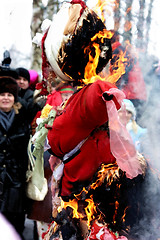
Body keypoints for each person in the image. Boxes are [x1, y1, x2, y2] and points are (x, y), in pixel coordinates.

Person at [31, 1, 147, 239]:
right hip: (87, 207)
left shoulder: (73, 103)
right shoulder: (83, 99)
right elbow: (103, 95)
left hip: (86, 201)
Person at [0, 67, 40, 239]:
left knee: (15, 224)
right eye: (2, 94)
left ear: (14, 97)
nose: (6, 98)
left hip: (16, 180)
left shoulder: (22, 117)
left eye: (9, 95)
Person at [109, 30, 147, 122]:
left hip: (130, 94)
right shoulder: (123, 50)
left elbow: (120, 74)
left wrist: (116, 88)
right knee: (137, 121)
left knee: (129, 123)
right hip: (138, 93)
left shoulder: (117, 51)